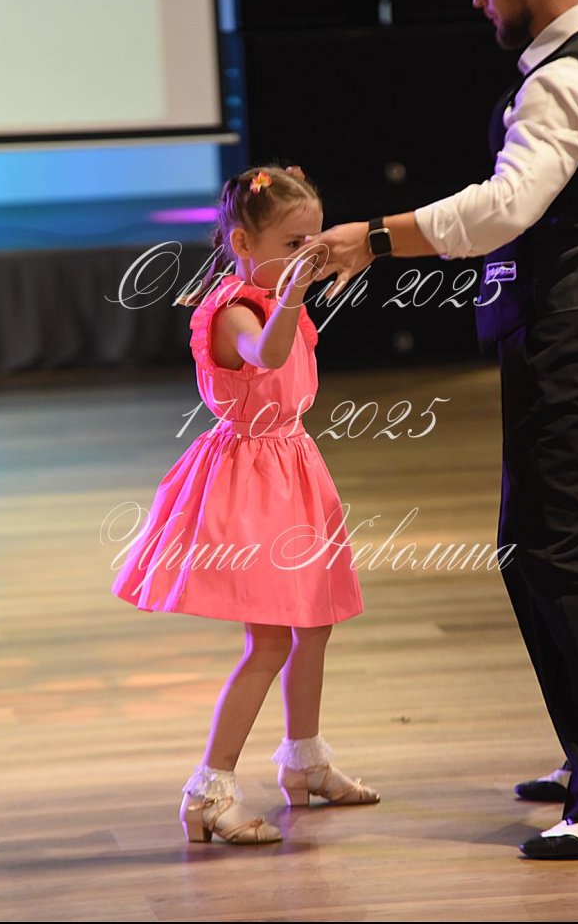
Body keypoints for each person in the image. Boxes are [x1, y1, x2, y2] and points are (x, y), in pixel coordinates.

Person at [303, 0, 578, 859]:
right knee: (534, 553)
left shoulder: (569, 77)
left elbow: (502, 208)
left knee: (560, 560)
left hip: (575, 336)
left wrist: (374, 236)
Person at [110, 165, 379, 845]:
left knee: (313, 623)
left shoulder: (272, 294)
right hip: (253, 479)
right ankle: (209, 789)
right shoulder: (237, 310)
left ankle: (305, 759)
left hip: (293, 465)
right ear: (242, 243)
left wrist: (293, 284)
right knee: (271, 638)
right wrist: (291, 294)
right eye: (293, 244)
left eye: (313, 241)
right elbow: (269, 352)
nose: (308, 255)